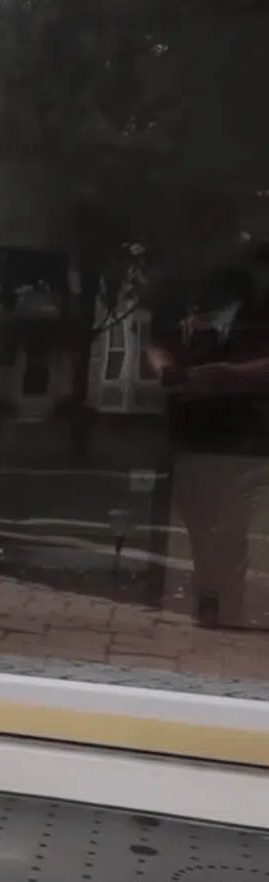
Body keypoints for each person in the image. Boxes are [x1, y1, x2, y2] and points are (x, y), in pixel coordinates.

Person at [146, 251, 269, 629]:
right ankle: (209, 599)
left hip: (241, 446)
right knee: (198, 526)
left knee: (231, 531)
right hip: (191, 442)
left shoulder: (257, 326)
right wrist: (169, 370)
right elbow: (157, 351)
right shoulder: (189, 327)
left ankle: (225, 606)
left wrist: (215, 375)